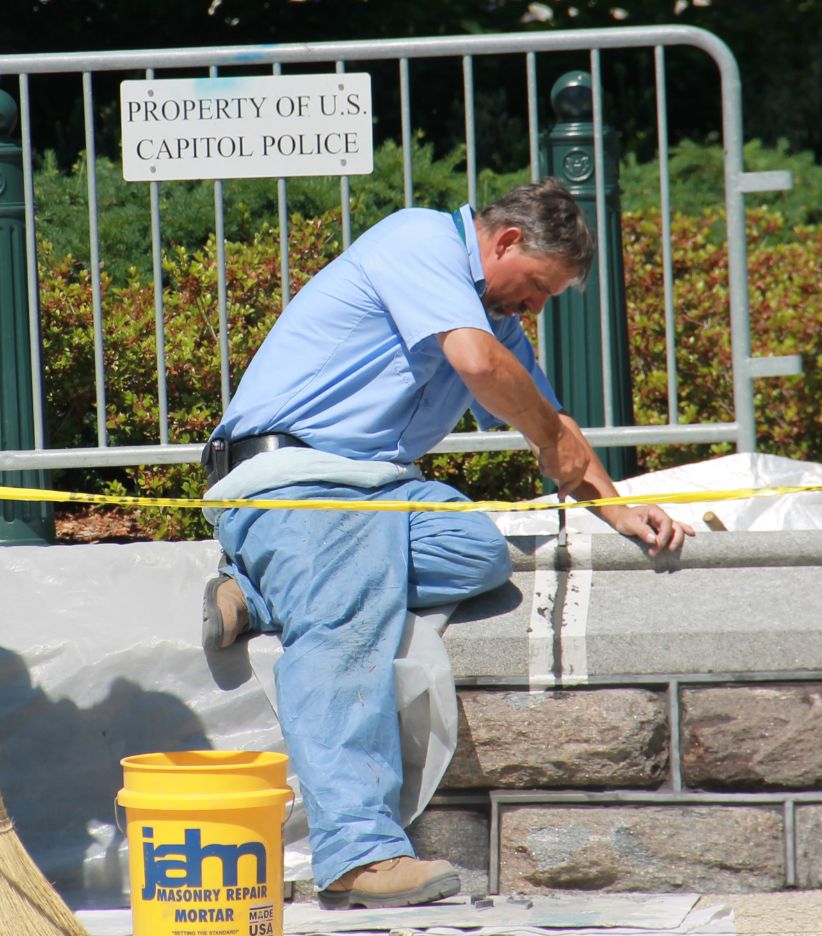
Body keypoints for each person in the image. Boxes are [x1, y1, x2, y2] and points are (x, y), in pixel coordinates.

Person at [199, 179, 690, 910]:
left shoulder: (492, 317)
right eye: (536, 288)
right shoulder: (419, 239)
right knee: (348, 610)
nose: (536, 308)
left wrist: (615, 509)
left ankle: (261, 588)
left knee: (477, 551)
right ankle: (356, 854)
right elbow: (481, 369)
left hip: (375, 493)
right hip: (292, 481)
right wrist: (549, 438)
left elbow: (554, 422)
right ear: (506, 242)